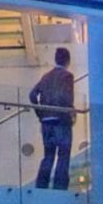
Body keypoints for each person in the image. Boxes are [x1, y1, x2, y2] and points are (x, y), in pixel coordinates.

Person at [29, 47, 76, 190]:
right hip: (61, 120)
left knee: (48, 155)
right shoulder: (67, 76)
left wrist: (40, 113)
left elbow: (32, 95)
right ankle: (59, 186)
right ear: (68, 61)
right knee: (63, 154)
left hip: (46, 122)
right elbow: (66, 97)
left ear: (56, 59)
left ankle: (42, 184)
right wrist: (71, 113)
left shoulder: (46, 76)